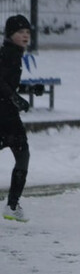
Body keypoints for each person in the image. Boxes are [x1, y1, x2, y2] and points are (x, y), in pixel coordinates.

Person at [1, 14, 36, 222]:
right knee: (22, 153)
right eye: (20, 32)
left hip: (6, 110)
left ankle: (13, 205)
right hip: (4, 112)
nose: (25, 36)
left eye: (27, 32)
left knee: (22, 153)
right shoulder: (8, 54)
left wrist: (30, 89)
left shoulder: (13, 52)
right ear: (10, 35)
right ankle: (12, 206)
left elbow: (7, 82)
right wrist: (14, 97)